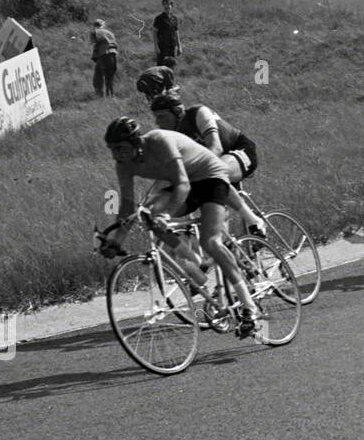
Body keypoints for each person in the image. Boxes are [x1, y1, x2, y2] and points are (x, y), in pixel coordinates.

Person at [98, 118, 262, 338]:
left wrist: (167, 214)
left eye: (120, 148)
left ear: (136, 141)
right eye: (112, 150)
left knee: (210, 241)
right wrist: (117, 240)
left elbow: (183, 184)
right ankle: (197, 264)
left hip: (210, 178)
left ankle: (249, 307)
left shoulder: (159, 141)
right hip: (183, 183)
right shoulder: (123, 165)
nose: (115, 155)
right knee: (147, 215)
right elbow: (127, 206)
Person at [150, 93, 265, 236]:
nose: (157, 122)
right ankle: (228, 245)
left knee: (212, 175)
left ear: (178, 112)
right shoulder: (170, 137)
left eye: (161, 116)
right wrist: (148, 200)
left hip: (239, 150)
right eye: (155, 116)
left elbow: (216, 148)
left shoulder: (198, 113)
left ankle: (253, 220)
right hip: (210, 164)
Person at [89, 19, 118, 97]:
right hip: (113, 55)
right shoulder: (110, 33)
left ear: (95, 25)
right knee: (110, 77)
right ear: (103, 25)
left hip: (103, 55)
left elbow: (94, 43)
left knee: (98, 77)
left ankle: (99, 96)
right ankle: (111, 95)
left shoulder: (95, 31)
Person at [153, 0, 181, 67]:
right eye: (164, 4)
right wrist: (156, 47)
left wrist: (179, 46)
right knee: (160, 67)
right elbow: (154, 33)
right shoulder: (159, 18)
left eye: (168, 4)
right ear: (163, 6)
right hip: (162, 47)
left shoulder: (174, 18)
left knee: (171, 67)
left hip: (172, 46)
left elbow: (176, 33)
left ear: (171, 6)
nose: (167, 6)